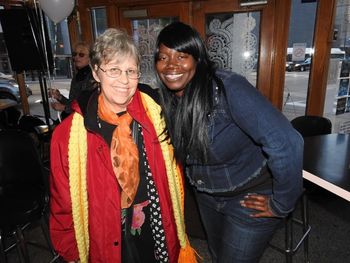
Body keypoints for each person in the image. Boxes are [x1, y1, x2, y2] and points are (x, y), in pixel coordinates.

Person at [154, 22, 304, 263]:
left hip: (249, 197)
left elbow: (287, 142)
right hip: (207, 197)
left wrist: (281, 204)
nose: (171, 65)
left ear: (198, 59)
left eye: (182, 56)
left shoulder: (227, 88)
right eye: (163, 57)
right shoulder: (168, 99)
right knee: (218, 256)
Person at [49, 28, 197, 263]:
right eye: (114, 70)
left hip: (155, 230)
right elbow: (62, 202)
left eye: (131, 71)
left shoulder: (157, 116)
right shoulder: (67, 136)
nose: (124, 80)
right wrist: (72, 252)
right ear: (96, 72)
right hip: (105, 240)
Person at [50, 41, 96, 119]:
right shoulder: (77, 77)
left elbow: (87, 108)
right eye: (75, 54)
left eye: (81, 55)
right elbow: (73, 103)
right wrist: (59, 97)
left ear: (90, 58)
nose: (76, 57)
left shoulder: (92, 78)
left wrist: (64, 108)